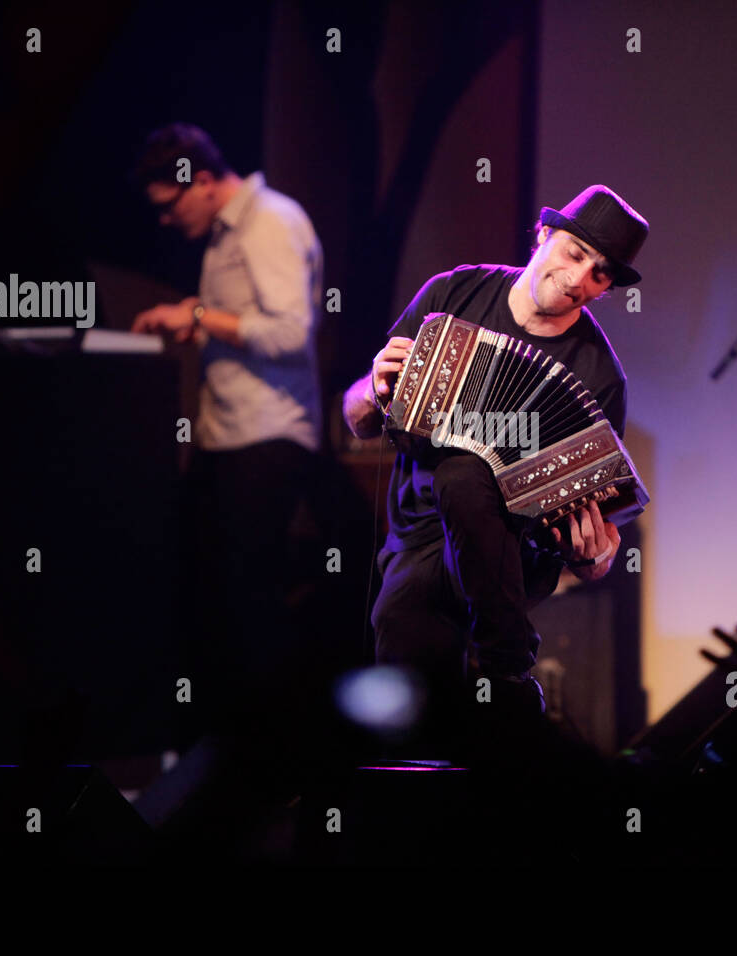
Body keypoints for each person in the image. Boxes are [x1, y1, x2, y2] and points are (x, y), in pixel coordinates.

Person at [343, 184, 649, 742]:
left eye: (600, 273)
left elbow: (594, 537)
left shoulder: (599, 376)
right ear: (544, 235)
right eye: (575, 253)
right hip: (423, 534)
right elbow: (361, 418)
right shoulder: (454, 293)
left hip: (511, 553)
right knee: (405, 673)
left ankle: (505, 667)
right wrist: (372, 386)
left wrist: (597, 554)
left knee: (463, 473)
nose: (581, 277)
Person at [130, 123, 324, 721]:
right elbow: (250, 324)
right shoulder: (230, 230)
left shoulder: (268, 219)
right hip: (230, 436)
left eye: (169, 204)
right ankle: (224, 757)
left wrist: (196, 314)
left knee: (248, 605)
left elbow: (291, 332)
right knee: (211, 600)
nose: (165, 220)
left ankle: (269, 760)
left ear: (204, 181)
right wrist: (204, 323)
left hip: (265, 438)